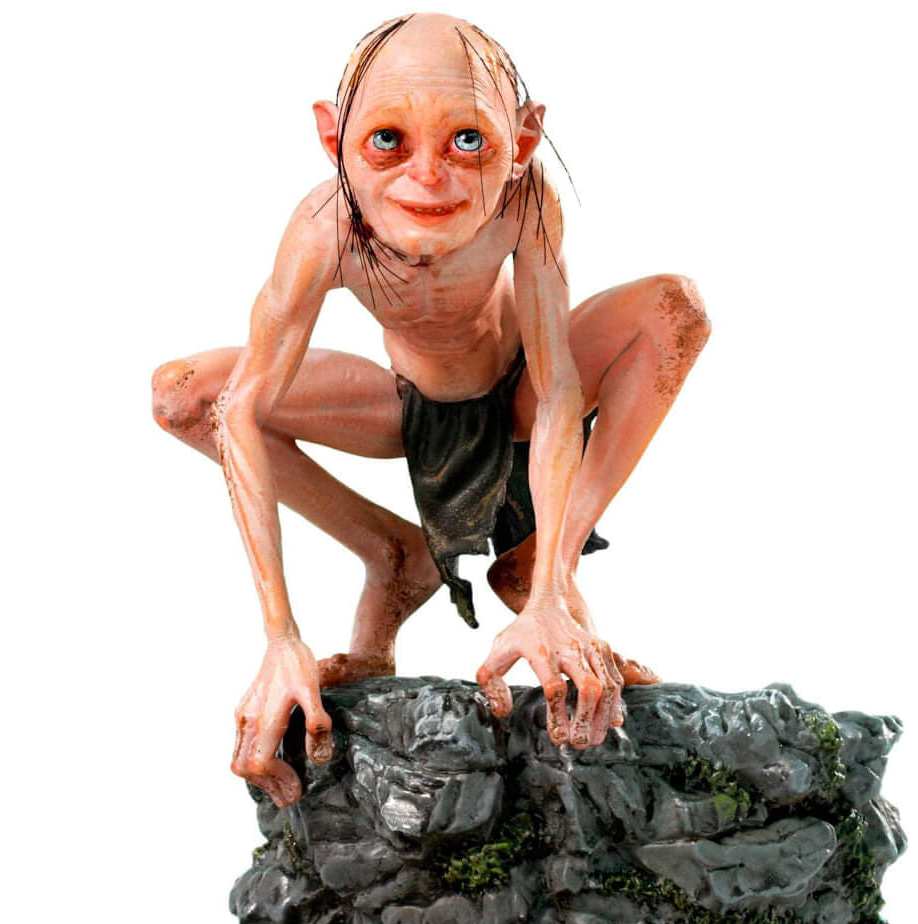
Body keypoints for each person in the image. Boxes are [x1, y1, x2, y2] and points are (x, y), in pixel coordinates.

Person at [152, 12, 710, 809]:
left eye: (467, 142)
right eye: (388, 141)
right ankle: (393, 556)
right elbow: (241, 408)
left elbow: (557, 390)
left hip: (519, 397)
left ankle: (544, 569)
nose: (428, 179)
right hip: (407, 406)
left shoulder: (524, 202)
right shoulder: (325, 228)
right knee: (186, 395)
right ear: (333, 138)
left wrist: (553, 592)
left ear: (522, 142)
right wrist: (281, 638)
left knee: (675, 310)